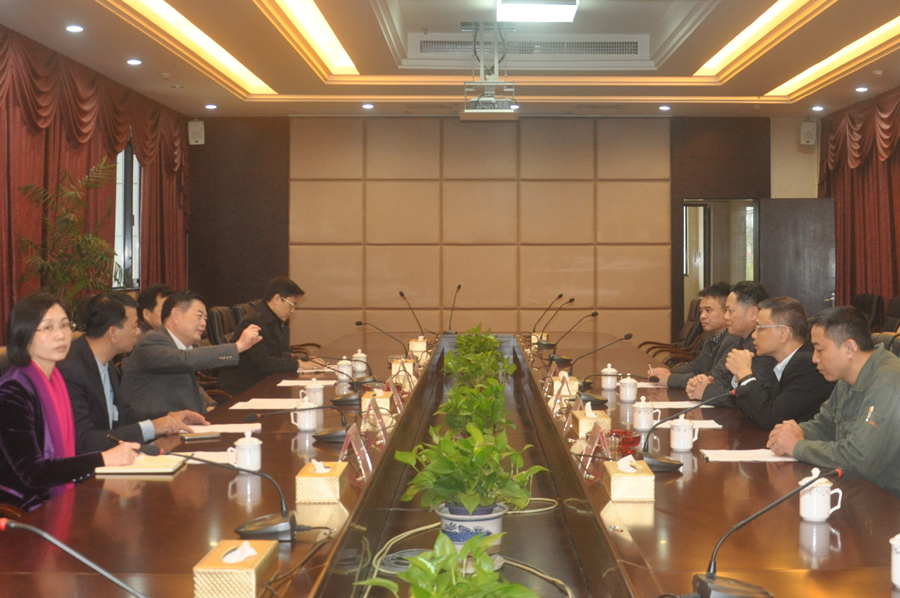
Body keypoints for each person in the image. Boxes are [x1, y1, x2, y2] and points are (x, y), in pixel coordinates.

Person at [0, 293, 138, 511]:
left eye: (65, 325)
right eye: (48, 328)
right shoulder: (13, 391)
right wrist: (103, 458)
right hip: (24, 509)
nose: (61, 335)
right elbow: (33, 472)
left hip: (58, 495)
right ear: (23, 334)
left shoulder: (56, 381)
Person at [768, 306, 900, 496]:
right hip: (857, 491)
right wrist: (792, 433)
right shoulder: (847, 379)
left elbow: (859, 460)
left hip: (888, 501)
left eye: (820, 349)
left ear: (850, 348)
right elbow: (824, 426)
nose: (814, 359)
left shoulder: (889, 382)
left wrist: (797, 446)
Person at [57, 292, 209, 454]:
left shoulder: (106, 363)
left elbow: (123, 416)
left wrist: (170, 416)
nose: (138, 332)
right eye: (134, 326)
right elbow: (84, 440)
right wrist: (152, 427)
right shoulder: (71, 370)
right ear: (113, 333)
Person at [121, 290, 262, 415]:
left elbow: (192, 385)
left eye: (205, 318)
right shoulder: (152, 341)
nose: (204, 323)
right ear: (176, 315)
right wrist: (237, 347)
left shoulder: (183, 347)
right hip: (156, 429)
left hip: (183, 423)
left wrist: (211, 405)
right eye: (199, 316)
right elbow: (184, 360)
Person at [724, 297, 834, 430]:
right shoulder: (778, 362)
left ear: (783, 333)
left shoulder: (809, 365)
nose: (754, 335)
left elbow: (772, 418)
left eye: (759, 328)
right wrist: (740, 377)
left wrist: (744, 374)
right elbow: (758, 406)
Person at [217, 277, 321, 396]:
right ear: (276, 299)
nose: (292, 311)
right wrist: (299, 364)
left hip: (263, 383)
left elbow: (282, 351)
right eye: (292, 305)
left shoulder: (276, 320)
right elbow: (265, 363)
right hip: (243, 391)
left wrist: (302, 359)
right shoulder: (253, 322)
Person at [686, 281, 770, 403]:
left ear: (753, 313)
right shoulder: (740, 340)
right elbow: (724, 380)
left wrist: (707, 391)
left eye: (730, 311)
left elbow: (752, 399)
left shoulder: (763, 348)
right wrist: (707, 383)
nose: (726, 316)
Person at [649, 282, 738, 388]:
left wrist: (670, 379)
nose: (702, 316)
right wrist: (667, 372)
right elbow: (697, 366)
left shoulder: (734, 339)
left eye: (708, 310)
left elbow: (715, 378)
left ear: (726, 311)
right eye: (701, 311)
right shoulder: (712, 335)